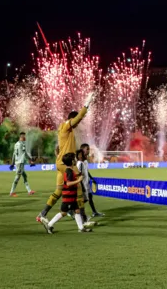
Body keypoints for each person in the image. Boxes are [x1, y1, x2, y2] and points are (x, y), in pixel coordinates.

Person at [37, 92, 95, 223]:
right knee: (79, 187)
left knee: (59, 190)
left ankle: (42, 214)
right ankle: (84, 220)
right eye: (75, 122)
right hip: (67, 164)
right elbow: (79, 117)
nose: (77, 125)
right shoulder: (66, 125)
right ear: (71, 120)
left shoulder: (64, 130)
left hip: (60, 163)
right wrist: (87, 102)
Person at [44, 153, 92, 234]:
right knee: (63, 213)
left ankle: (81, 228)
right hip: (68, 197)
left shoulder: (70, 171)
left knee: (77, 211)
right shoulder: (69, 171)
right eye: (74, 159)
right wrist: (78, 180)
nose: (76, 160)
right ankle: (49, 225)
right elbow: (68, 183)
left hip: (72, 196)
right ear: (72, 161)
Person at [80, 143, 104, 217]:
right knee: (85, 199)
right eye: (87, 149)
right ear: (82, 150)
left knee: (90, 197)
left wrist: (91, 178)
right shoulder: (80, 161)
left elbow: (86, 171)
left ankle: (94, 212)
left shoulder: (86, 161)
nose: (88, 150)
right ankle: (72, 209)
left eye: (89, 149)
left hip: (87, 182)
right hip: (82, 183)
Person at [9, 132, 35, 197]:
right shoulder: (22, 144)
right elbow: (25, 153)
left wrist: (12, 163)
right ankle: (11, 192)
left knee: (25, 176)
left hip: (17, 162)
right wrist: (31, 159)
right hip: (20, 162)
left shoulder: (16, 144)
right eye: (24, 136)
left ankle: (29, 191)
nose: (25, 137)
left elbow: (14, 154)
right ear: (22, 136)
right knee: (17, 177)